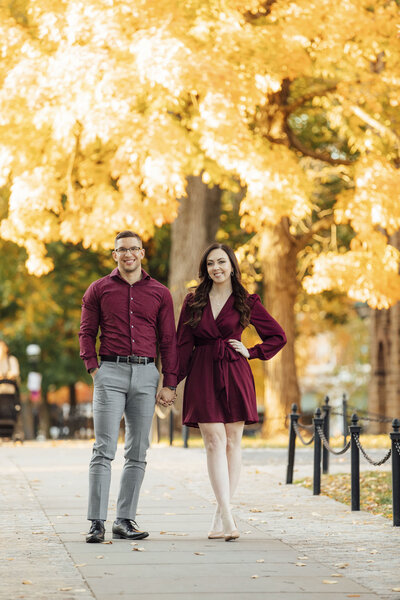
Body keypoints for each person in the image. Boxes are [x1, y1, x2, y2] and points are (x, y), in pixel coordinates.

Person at [176, 243, 286, 541]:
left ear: (232, 265)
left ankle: (219, 514)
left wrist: (252, 352)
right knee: (214, 441)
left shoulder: (245, 301)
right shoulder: (193, 301)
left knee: (232, 443)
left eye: (221, 262)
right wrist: (171, 382)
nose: (216, 268)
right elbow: (183, 345)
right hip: (202, 373)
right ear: (205, 269)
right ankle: (227, 515)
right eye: (211, 263)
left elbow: (278, 336)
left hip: (235, 371)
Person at [79, 230, 178, 543]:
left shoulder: (160, 293)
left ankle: (124, 520)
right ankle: (96, 522)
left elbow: (168, 341)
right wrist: (94, 369)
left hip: (147, 375)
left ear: (142, 253)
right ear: (114, 255)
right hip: (110, 372)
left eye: (133, 249)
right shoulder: (98, 289)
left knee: (138, 450)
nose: (128, 254)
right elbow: (86, 333)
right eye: (122, 250)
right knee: (103, 449)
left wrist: (169, 382)